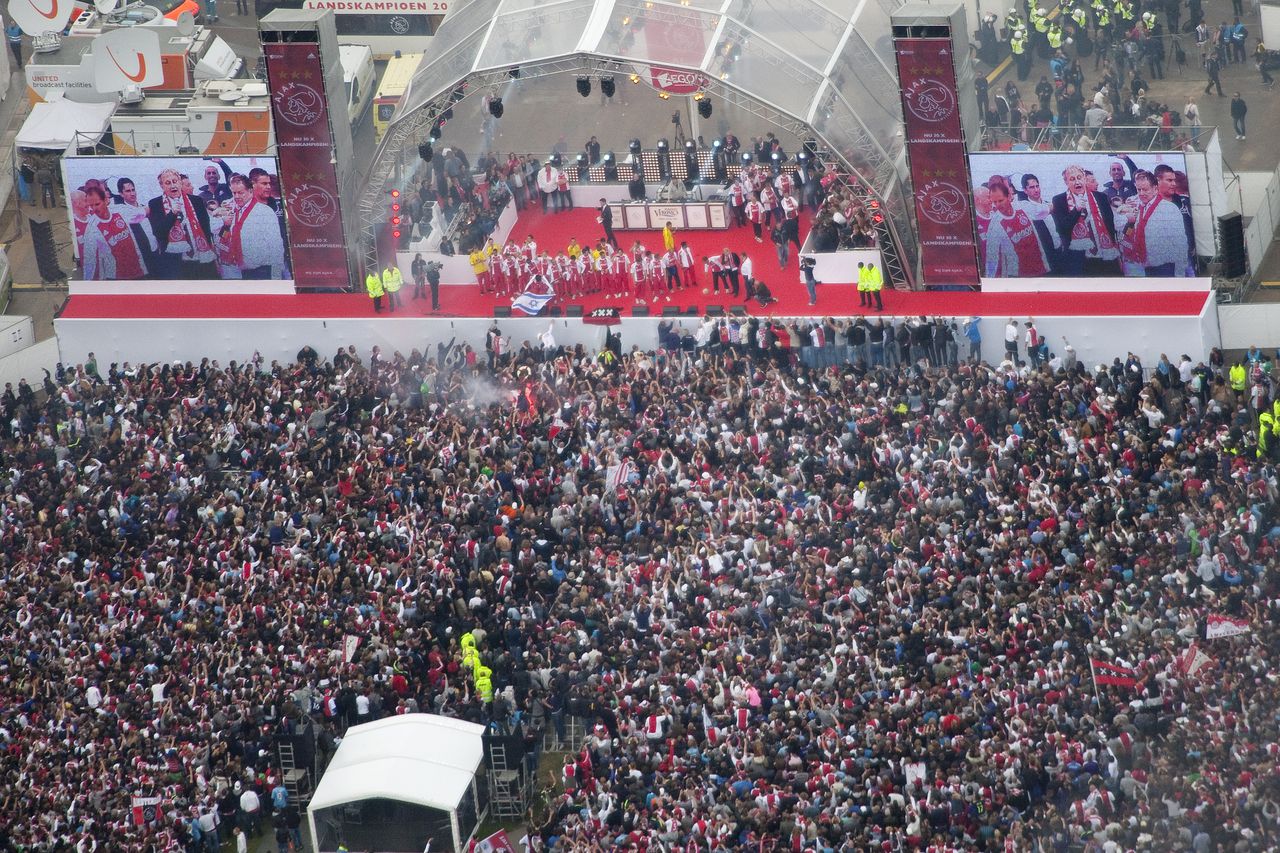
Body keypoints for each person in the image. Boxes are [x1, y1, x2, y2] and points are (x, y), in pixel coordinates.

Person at [147, 168, 217, 279]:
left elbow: (206, 229)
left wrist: (209, 252)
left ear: (180, 182)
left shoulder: (196, 201)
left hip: (200, 256)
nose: (172, 186)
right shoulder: (155, 204)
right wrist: (172, 214)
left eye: (174, 181)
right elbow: (158, 232)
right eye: (167, 183)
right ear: (162, 186)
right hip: (176, 262)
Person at [1050, 164, 1119, 275]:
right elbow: (1062, 229)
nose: (1077, 182)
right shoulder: (1059, 200)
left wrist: (1112, 248)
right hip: (1080, 260)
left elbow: (1110, 225)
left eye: (1079, 177)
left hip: (1104, 254)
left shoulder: (1100, 197)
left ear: (1084, 179)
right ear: (1066, 183)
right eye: (1072, 179)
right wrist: (1076, 210)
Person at [222, 174, 288, 279]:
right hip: (243, 272)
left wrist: (276, 277)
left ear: (250, 191)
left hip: (264, 271)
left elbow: (276, 246)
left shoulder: (264, 211)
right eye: (234, 193)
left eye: (240, 193)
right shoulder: (235, 214)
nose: (237, 196)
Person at [985, 175, 1051, 277]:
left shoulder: (1022, 206)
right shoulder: (994, 225)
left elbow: (1045, 210)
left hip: (1041, 269)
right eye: (1007, 187)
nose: (1011, 190)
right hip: (1019, 277)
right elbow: (992, 260)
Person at [81, 186, 148, 280]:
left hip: (139, 270)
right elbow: (89, 260)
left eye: (97, 204)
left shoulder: (120, 210)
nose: (94, 208)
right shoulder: (92, 228)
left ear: (105, 200)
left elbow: (143, 212)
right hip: (116, 276)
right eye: (91, 206)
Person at [1130, 170, 1189, 276]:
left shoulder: (1168, 208)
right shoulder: (1140, 208)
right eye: (1139, 190)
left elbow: (1180, 242)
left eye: (1145, 189)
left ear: (1155, 189)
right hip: (1146, 267)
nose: (1141, 193)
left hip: (1166, 268)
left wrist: (1180, 273)